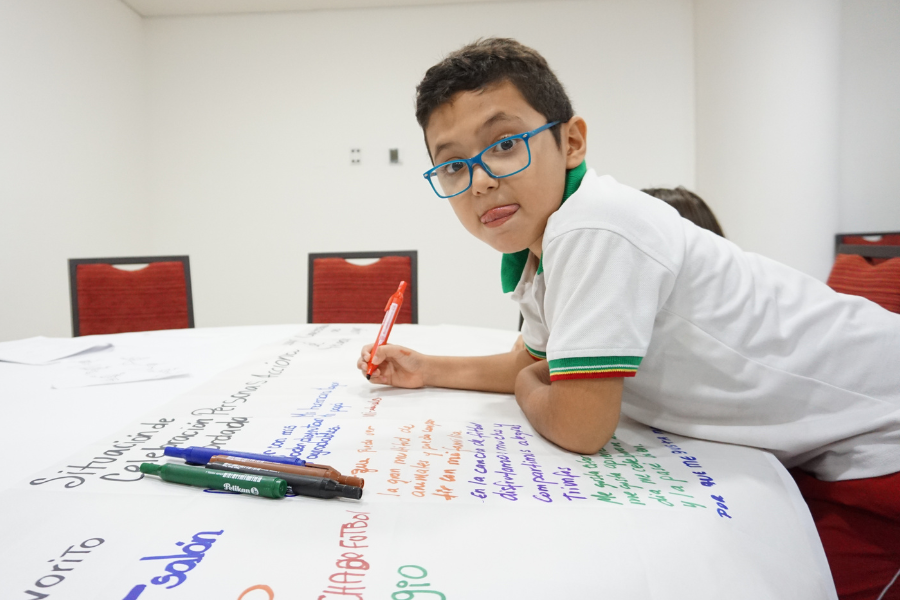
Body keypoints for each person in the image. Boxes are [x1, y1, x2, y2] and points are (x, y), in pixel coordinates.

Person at [356, 38, 900, 599]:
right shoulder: (542, 250)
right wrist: (426, 367)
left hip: (880, 438)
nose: (481, 180)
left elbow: (580, 424)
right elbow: (535, 359)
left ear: (571, 141)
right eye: (451, 166)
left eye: (503, 144)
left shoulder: (593, 226)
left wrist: (528, 383)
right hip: (820, 442)